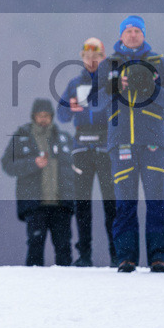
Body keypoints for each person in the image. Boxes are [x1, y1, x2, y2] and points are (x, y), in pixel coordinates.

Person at [95, 15, 164, 273]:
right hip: (120, 142)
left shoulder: (158, 62)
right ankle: (126, 257)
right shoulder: (108, 64)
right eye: (128, 31)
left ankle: (158, 257)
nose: (132, 35)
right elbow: (95, 103)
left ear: (144, 34)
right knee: (124, 203)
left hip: (153, 141)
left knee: (157, 202)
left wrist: (151, 89)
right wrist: (112, 86)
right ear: (121, 35)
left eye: (137, 31)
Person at [57, 37, 117, 267]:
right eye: (87, 57)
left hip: (106, 145)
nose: (91, 61)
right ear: (81, 58)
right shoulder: (74, 83)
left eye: (96, 57)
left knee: (111, 203)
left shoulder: (110, 81)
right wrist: (69, 108)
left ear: (103, 58)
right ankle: (84, 255)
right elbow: (61, 115)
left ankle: (116, 253)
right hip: (81, 146)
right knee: (82, 204)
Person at [2, 98, 76, 267]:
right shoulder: (22, 138)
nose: (43, 119)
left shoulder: (64, 139)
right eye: (40, 115)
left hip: (61, 204)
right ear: (33, 116)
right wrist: (32, 164)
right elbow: (7, 164)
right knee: (35, 247)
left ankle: (68, 288)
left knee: (64, 248)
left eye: (46, 115)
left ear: (52, 116)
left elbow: (79, 168)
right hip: (35, 205)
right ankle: (33, 287)